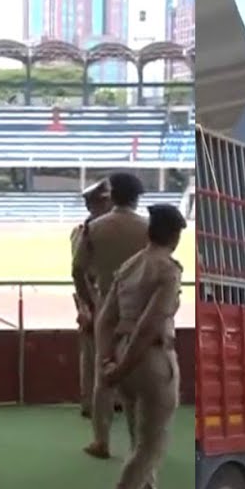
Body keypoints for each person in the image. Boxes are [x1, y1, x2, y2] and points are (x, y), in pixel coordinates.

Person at [90, 203, 186, 489]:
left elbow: (105, 319)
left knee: (137, 442)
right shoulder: (167, 270)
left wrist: (107, 362)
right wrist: (125, 365)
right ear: (175, 236)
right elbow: (150, 325)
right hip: (152, 359)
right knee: (151, 446)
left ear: (149, 232)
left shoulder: (129, 267)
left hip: (122, 354)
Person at [72, 171, 150, 459]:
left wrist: (92, 303)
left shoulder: (94, 229)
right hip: (140, 309)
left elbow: (78, 270)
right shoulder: (149, 228)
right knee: (140, 377)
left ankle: (101, 441)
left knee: (103, 377)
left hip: (107, 306)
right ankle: (138, 443)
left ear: (112, 195)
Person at [70, 179, 112, 418]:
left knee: (110, 350)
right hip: (92, 296)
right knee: (92, 352)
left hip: (105, 296)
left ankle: (110, 400)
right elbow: (80, 270)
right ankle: (90, 402)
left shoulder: (102, 229)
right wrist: (86, 304)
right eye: (103, 202)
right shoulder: (83, 232)